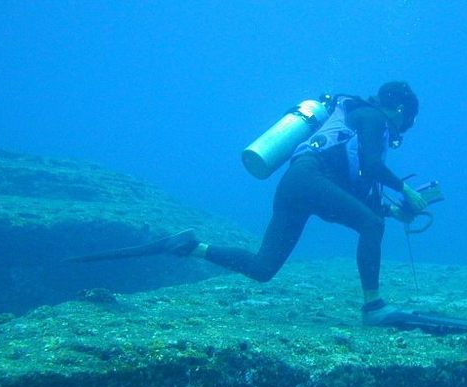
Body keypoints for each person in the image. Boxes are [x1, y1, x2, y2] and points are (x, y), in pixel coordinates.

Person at [173, 81, 428, 325]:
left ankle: (191, 247)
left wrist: (391, 210)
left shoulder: (354, 117)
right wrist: (406, 189)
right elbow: (372, 165)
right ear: (400, 110)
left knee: (263, 268)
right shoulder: (374, 117)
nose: (404, 129)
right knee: (372, 224)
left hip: (296, 183)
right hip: (312, 178)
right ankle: (373, 307)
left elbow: (348, 194)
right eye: (408, 120)